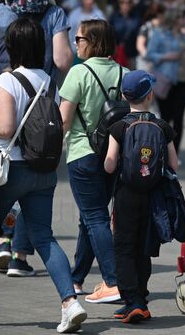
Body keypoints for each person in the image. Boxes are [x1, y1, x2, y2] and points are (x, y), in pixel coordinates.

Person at [0, 18, 87, 332]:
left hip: (9, 170)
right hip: (43, 170)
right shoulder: (49, 81)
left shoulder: (8, 81)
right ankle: (70, 302)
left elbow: (6, 128)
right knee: (45, 237)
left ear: (11, 47)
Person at [0, 0, 73, 274]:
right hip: (41, 105)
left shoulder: (2, 10)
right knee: (33, 181)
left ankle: (1, 242)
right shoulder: (54, 12)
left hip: (6, 94)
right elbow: (62, 60)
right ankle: (20, 256)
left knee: (5, 174)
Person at [104, 70, 179, 323]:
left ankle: (133, 301)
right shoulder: (162, 126)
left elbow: (110, 165)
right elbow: (174, 164)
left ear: (124, 96)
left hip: (126, 195)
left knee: (123, 247)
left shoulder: (118, 126)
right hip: (153, 195)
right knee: (144, 247)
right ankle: (141, 301)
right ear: (150, 95)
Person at [59, 19, 122, 303]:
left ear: (94, 42)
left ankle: (114, 281)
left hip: (82, 154)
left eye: (80, 39)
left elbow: (63, 120)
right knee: (90, 218)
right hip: (113, 156)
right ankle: (76, 278)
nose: (76, 44)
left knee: (94, 217)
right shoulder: (125, 72)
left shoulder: (78, 73)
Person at [146, 8, 185, 157]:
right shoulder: (159, 34)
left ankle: (175, 154)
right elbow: (149, 54)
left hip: (184, 81)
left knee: (179, 118)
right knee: (166, 117)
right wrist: (166, 56)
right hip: (166, 80)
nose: (183, 21)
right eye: (180, 18)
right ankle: (164, 152)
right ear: (173, 19)